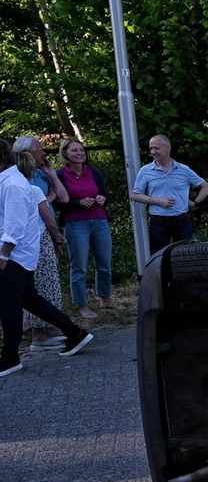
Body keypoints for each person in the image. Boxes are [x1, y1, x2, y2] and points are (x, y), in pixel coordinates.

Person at [1, 139, 94, 377]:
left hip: (14, 256)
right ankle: (75, 333)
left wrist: (3, 255)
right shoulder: (10, 181)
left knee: (10, 305)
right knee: (30, 300)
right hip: (19, 254)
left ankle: (10, 358)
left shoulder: (12, 185)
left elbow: (14, 226)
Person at [12, 136, 69, 342]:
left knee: (33, 287)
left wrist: (51, 179)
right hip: (34, 238)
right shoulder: (23, 184)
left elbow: (62, 198)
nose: (44, 154)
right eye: (40, 150)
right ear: (27, 155)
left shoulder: (35, 178)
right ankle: (41, 335)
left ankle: (44, 331)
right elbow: (42, 212)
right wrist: (56, 235)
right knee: (43, 284)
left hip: (29, 239)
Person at [55, 138, 116, 320]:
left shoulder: (94, 171)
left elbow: (105, 193)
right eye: (74, 150)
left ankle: (105, 297)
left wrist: (102, 198)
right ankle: (82, 304)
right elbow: (57, 203)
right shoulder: (60, 175)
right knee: (79, 266)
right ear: (65, 153)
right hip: (76, 224)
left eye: (81, 150)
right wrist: (78, 203)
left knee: (104, 263)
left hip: (99, 220)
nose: (80, 153)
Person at [130, 134, 208, 253]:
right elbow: (135, 195)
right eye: (151, 148)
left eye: (156, 148)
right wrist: (158, 201)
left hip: (181, 221)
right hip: (158, 222)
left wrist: (195, 202)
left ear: (168, 148)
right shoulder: (145, 171)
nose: (153, 152)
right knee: (159, 256)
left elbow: (206, 187)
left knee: (185, 255)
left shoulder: (183, 170)